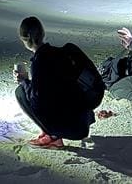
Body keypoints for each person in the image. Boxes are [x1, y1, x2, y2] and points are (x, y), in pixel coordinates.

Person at [13, 16, 103, 148]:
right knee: (43, 92)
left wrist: (24, 81)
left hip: (72, 127)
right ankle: (52, 132)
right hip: (82, 117)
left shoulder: (39, 62)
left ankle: (53, 135)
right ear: (43, 33)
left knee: (21, 92)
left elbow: (36, 99)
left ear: (24, 40)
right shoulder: (60, 53)